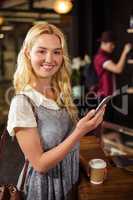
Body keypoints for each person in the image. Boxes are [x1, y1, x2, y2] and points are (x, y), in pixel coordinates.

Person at [7, 23, 105, 200]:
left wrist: (83, 165)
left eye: (57, 52)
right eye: (42, 51)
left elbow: (66, 143)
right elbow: (40, 165)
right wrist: (80, 131)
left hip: (71, 181)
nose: (50, 58)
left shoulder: (60, 92)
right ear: (28, 53)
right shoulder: (22, 103)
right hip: (45, 190)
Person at [93, 31, 132, 98]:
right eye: (111, 44)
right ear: (103, 43)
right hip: (104, 96)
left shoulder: (106, 56)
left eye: (114, 44)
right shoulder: (100, 57)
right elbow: (118, 69)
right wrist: (125, 52)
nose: (113, 47)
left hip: (110, 96)